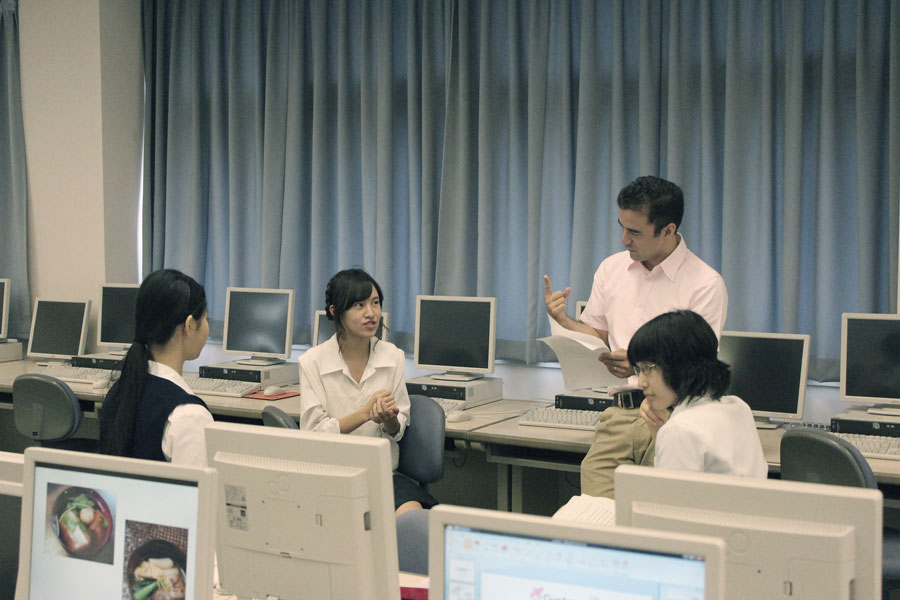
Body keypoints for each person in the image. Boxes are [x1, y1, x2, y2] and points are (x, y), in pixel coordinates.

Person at [544, 175, 728, 497]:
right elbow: (598, 336)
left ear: (668, 230)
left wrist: (640, 365)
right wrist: (563, 320)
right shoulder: (611, 269)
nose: (624, 239)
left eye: (635, 232)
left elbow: (697, 365)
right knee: (592, 509)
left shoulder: (705, 284)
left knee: (656, 511)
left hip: (670, 417)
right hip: (618, 412)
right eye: (622, 227)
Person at [299, 268, 436, 515]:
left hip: (382, 475)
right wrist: (364, 414)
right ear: (335, 311)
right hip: (333, 478)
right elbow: (312, 434)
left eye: (375, 303)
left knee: (413, 519)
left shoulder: (392, 356)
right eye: (359, 305)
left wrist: (390, 419)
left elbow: (398, 431)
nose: (371, 313)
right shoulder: (312, 362)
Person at [98, 269, 213, 467]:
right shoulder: (189, 415)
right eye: (204, 318)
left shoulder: (118, 391)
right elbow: (195, 487)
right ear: (189, 326)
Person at [631, 310, 766, 476]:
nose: (641, 383)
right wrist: (659, 432)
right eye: (638, 369)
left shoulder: (680, 429)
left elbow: (668, 492)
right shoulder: (739, 406)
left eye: (647, 368)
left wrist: (666, 433)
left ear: (679, 365)